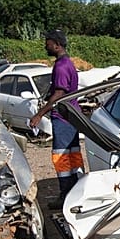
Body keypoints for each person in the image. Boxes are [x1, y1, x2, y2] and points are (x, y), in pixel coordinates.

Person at [29, 29, 82, 209]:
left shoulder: (60, 67)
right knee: (72, 157)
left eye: (48, 42)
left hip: (63, 118)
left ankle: (67, 197)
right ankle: (75, 193)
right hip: (71, 118)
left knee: (62, 159)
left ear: (57, 45)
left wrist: (38, 115)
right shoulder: (68, 63)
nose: (46, 45)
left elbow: (58, 95)